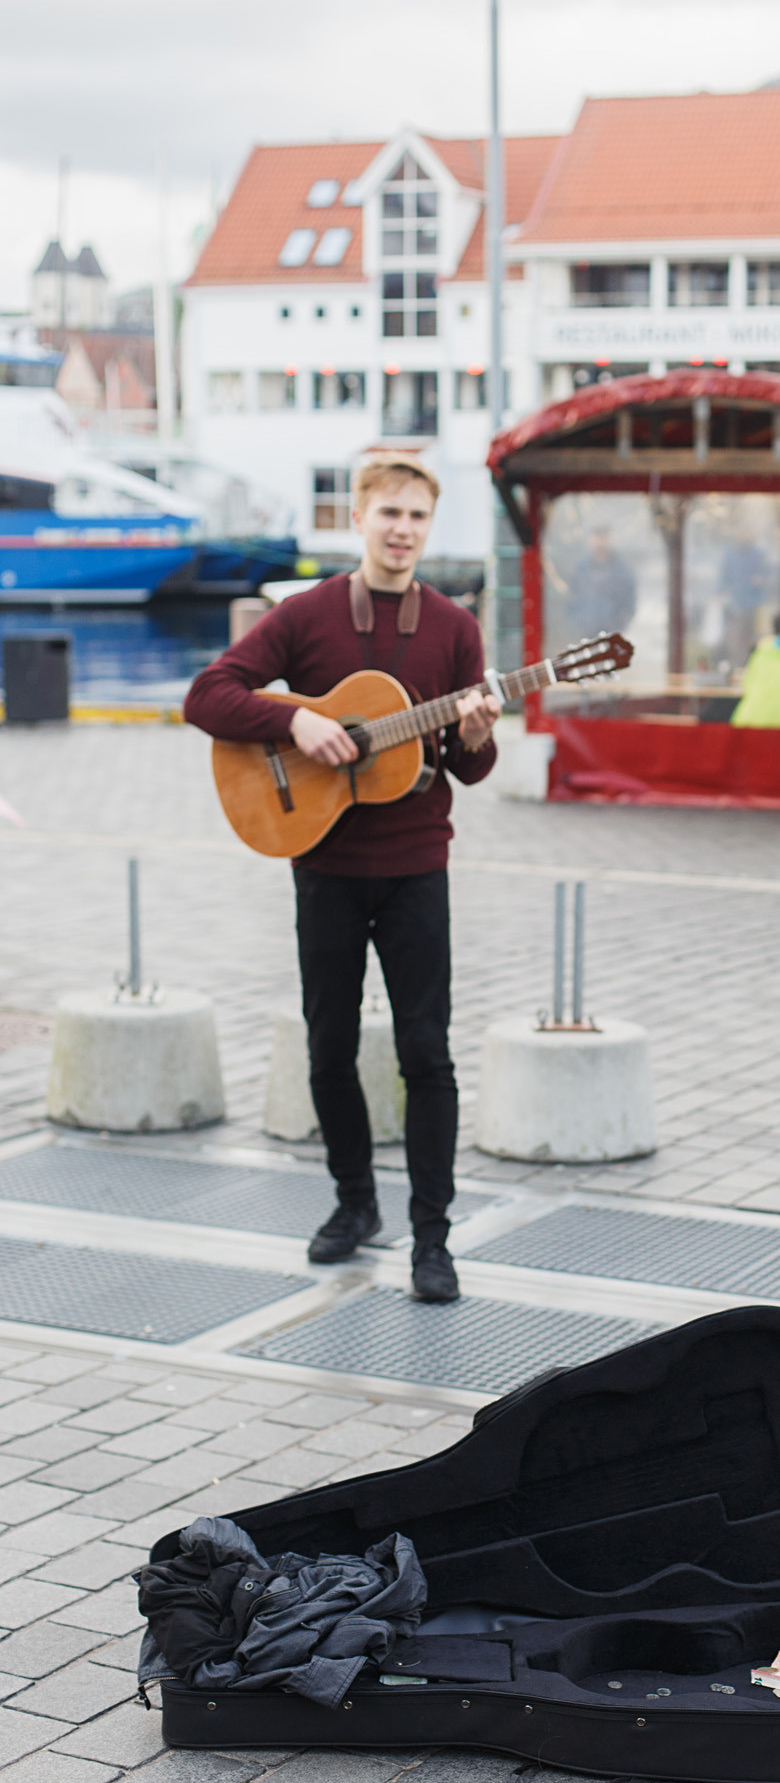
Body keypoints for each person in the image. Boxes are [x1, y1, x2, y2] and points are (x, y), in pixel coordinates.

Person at [183, 453, 500, 1305]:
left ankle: (432, 1239)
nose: (402, 531)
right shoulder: (308, 613)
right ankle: (353, 1204)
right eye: (389, 514)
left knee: (425, 1054)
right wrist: (298, 717)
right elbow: (207, 695)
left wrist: (474, 730)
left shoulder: (455, 630)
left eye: (418, 518)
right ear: (359, 517)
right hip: (323, 864)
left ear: (430, 528)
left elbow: (473, 770)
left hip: (415, 868)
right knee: (329, 1049)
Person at [717, 528, 774, 668]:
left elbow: (770, 573)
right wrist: (720, 594)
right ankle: (739, 664)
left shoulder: (759, 554)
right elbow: (724, 577)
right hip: (737, 603)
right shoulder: (731, 555)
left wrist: (762, 580)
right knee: (737, 636)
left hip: (756, 602)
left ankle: (756, 663)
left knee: (758, 635)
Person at [565, 527, 636, 638]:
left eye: (604, 538)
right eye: (598, 538)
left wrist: (618, 625)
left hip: (612, 634)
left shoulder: (622, 569)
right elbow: (572, 596)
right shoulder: (582, 568)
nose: (601, 543)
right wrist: (579, 622)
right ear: (591, 540)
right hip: (585, 633)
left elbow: (629, 600)